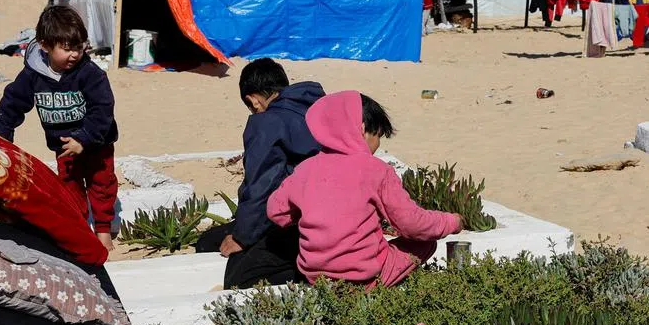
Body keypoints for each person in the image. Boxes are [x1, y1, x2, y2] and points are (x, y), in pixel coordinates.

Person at [267, 91, 462, 288]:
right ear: (361, 130)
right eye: (377, 135)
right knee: (425, 241)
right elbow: (412, 224)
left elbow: (276, 213)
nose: (377, 144)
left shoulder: (304, 169)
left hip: (315, 277)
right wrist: (452, 221)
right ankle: (375, 290)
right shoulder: (376, 170)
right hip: (364, 279)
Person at [0, 5, 119, 251]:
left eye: (79, 47)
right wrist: (0, 134)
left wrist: (85, 138)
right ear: (45, 45)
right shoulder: (33, 75)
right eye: (66, 49)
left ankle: (104, 231)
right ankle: (80, 229)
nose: (74, 55)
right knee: (70, 189)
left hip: (97, 143)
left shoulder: (91, 74)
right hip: (63, 147)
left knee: (101, 185)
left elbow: (103, 108)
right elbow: (13, 103)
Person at [197, 58, 324, 288]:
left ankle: (306, 276)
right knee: (209, 241)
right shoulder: (317, 108)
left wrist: (242, 237)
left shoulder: (267, 122)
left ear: (253, 99)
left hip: (298, 221)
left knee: (239, 278)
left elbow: (262, 184)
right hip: (330, 213)